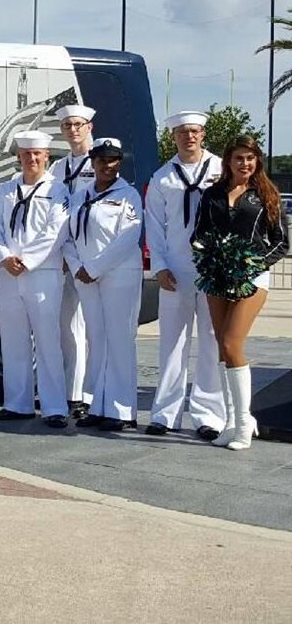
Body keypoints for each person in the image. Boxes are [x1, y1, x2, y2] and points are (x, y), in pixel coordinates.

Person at [192, 136, 287, 451]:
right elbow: (199, 233)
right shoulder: (212, 195)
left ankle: (245, 422)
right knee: (222, 347)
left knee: (233, 342)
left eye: (250, 158)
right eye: (239, 158)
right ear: (228, 162)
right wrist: (209, 257)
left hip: (252, 277)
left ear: (257, 160)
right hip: (217, 277)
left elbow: (282, 242)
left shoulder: (266, 194)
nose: (245, 164)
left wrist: (253, 264)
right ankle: (231, 422)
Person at [144, 111, 225, 440]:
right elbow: (154, 225)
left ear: (203, 133)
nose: (188, 137)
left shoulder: (220, 170)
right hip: (176, 270)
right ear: (174, 137)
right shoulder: (164, 177)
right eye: (181, 132)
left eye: (194, 131)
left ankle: (209, 416)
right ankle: (165, 413)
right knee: (172, 344)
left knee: (210, 341)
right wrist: (160, 266)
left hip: (213, 270)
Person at [0, 131, 71, 428]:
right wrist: (5, 256)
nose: (31, 159)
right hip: (8, 274)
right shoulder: (6, 189)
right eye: (26, 154)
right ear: (19, 157)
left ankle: (54, 407)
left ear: (47, 156)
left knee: (48, 341)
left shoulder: (58, 190)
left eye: (37, 154)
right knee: (12, 341)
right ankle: (17, 403)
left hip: (42, 274)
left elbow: (56, 230)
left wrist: (28, 259)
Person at [64, 137, 143, 432]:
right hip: (85, 277)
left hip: (119, 275)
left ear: (119, 162)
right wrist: (77, 267)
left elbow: (128, 238)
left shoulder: (128, 195)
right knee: (97, 340)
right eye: (101, 160)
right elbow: (68, 236)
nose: (106, 165)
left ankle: (122, 411)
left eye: (112, 160)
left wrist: (94, 268)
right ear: (92, 162)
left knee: (120, 342)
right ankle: (97, 404)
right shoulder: (81, 195)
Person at [49, 104, 96, 419]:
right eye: (67, 126)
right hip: (65, 256)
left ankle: (91, 393)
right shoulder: (57, 169)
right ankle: (72, 393)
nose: (73, 130)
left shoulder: (101, 162)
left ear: (89, 126)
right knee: (66, 327)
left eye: (78, 124)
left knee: (94, 329)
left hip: (93, 257)